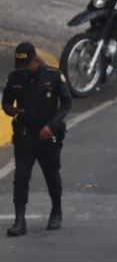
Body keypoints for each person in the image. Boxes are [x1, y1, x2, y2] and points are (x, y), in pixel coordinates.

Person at [2, 43, 72, 237]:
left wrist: (52, 125)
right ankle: (19, 220)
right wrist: (11, 110)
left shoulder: (53, 75)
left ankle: (56, 210)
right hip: (25, 135)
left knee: (51, 174)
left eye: (27, 64)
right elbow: (6, 101)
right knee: (21, 176)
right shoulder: (15, 78)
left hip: (48, 135)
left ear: (35, 60)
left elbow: (66, 103)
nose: (24, 69)